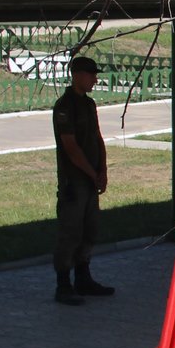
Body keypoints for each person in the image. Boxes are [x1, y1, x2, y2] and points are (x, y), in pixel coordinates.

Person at [51, 55, 114, 304]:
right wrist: (91, 173)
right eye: (91, 75)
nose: (95, 80)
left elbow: (97, 137)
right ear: (77, 75)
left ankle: (83, 277)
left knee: (90, 230)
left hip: (90, 179)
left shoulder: (89, 104)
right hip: (74, 181)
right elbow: (71, 147)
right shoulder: (64, 106)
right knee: (71, 232)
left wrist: (103, 170)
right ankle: (63, 284)